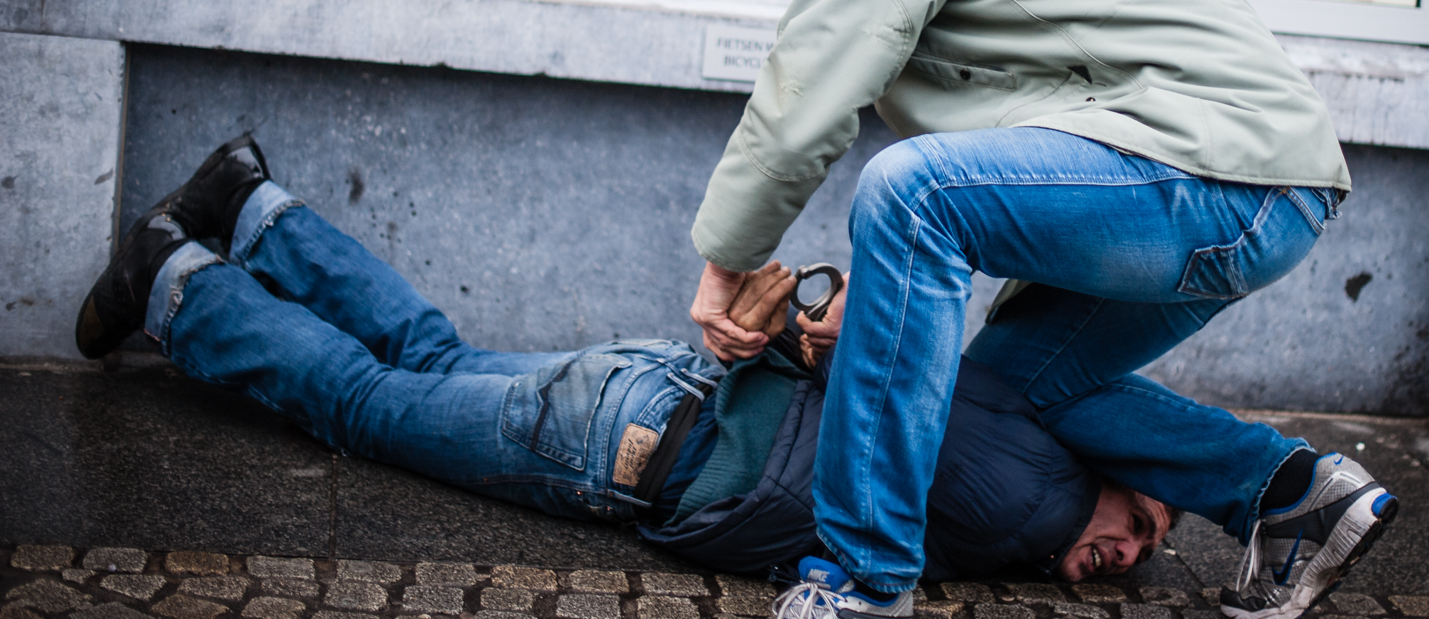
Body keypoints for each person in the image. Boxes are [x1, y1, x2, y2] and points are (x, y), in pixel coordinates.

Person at [686, 0, 1397, 619]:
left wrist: (724, 266)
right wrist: (886, 311)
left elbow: (809, 86)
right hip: (1262, 183)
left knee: (912, 193)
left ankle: (863, 580)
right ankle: (1290, 495)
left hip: (1215, 168)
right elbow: (1044, 115)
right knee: (1007, 391)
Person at [73, 135, 1174, 585]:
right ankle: (179, 280)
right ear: (1117, 473)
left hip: (663, 392)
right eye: (1143, 523)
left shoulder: (1019, 420)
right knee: (365, 403)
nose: (1129, 551)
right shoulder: (1035, 510)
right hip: (638, 445)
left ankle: (249, 202)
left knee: (428, 355)